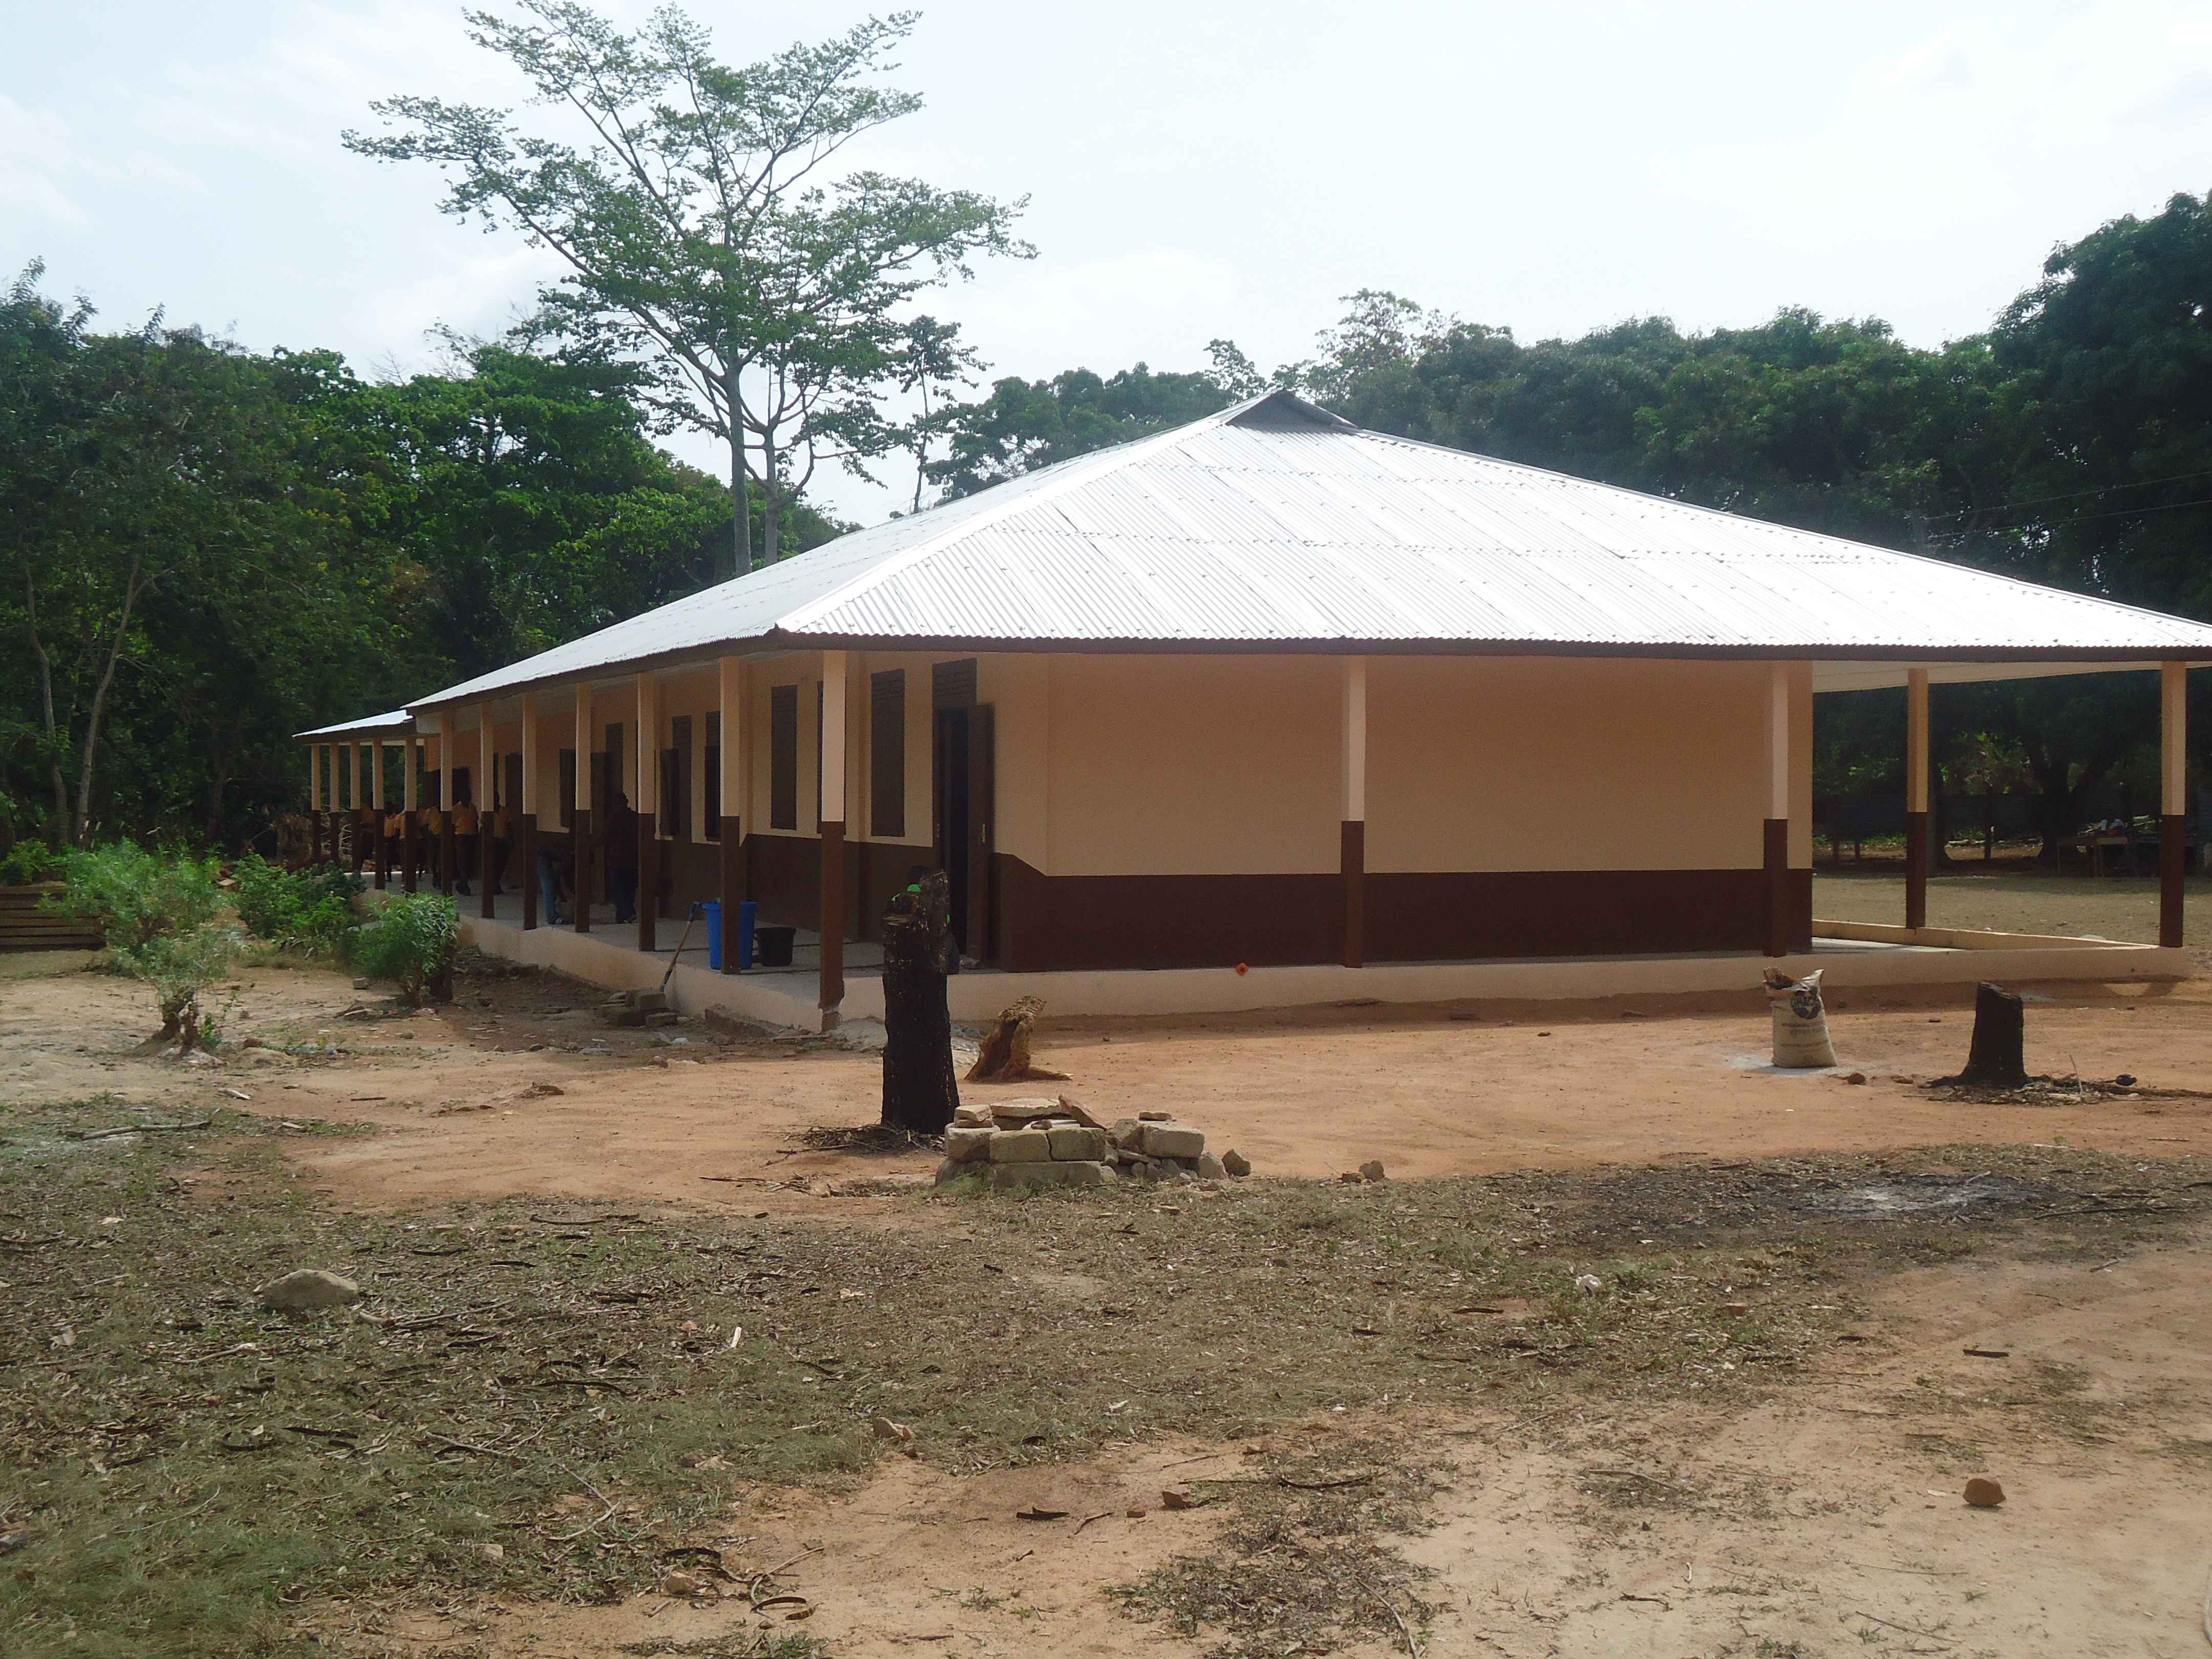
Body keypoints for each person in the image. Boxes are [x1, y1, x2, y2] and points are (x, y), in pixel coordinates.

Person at [604, 791, 640, 925]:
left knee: (619, 888)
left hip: (617, 858)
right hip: (633, 857)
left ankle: (628, 912)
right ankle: (622, 916)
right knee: (630, 887)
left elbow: (606, 836)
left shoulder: (614, 818)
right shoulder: (635, 817)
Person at [451, 789, 479, 896]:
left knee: (469, 861)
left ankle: (462, 882)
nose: (467, 797)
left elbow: (475, 822)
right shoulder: (456, 809)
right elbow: (452, 825)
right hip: (460, 836)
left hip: (471, 836)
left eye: (469, 795)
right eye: (465, 795)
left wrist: (476, 835)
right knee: (462, 860)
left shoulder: (473, 808)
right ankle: (464, 883)